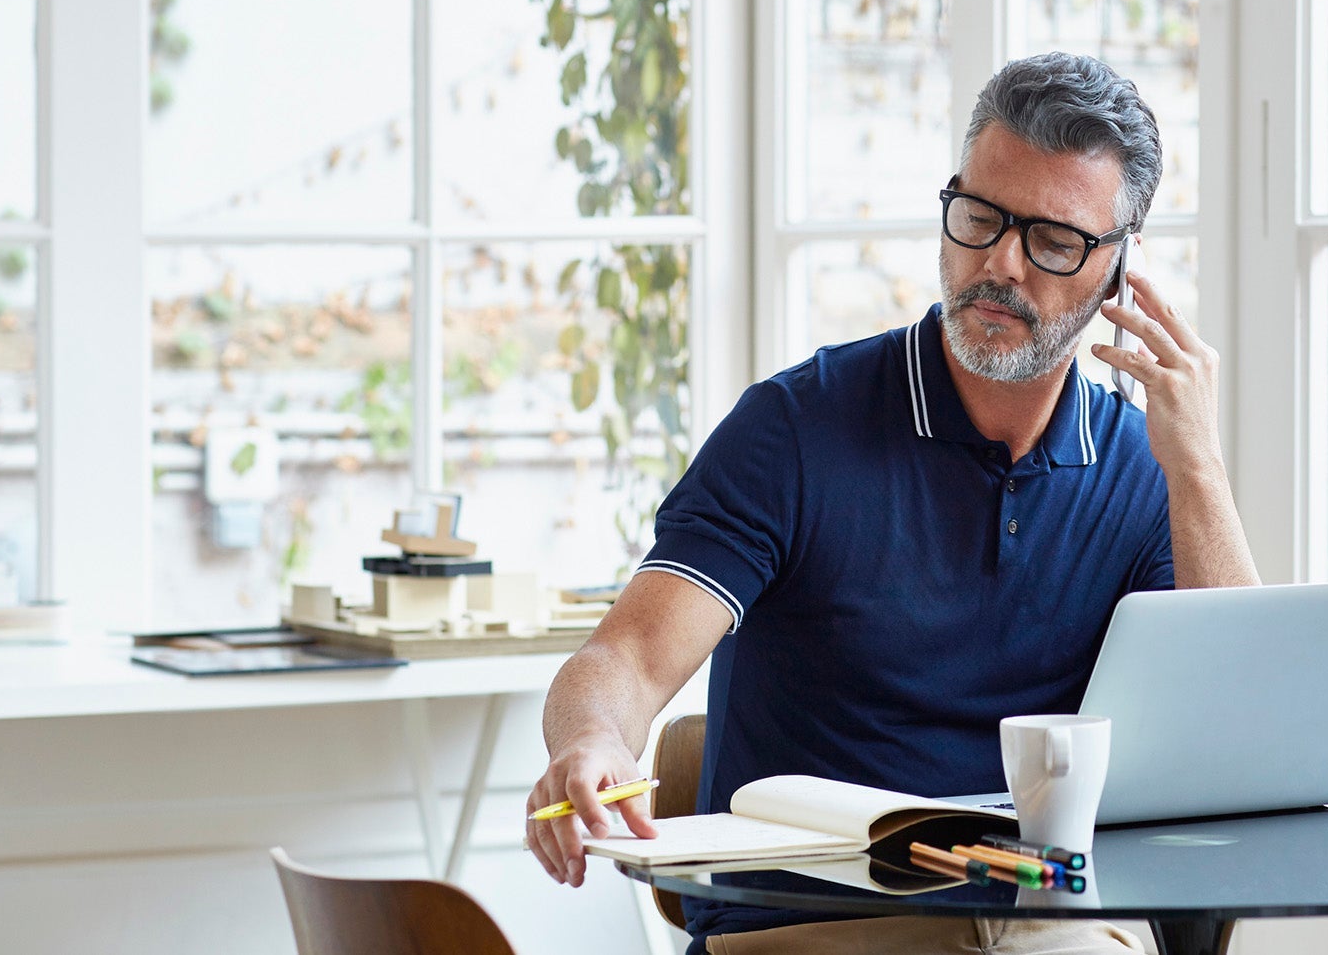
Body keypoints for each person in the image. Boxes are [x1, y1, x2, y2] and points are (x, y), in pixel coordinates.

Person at [526, 51, 1261, 954]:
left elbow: (1235, 742)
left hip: (1047, 918)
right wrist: (592, 745)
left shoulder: (1144, 467)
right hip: (821, 926)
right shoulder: (796, 430)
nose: (1000, 264)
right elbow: (629, 658)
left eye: (1055, 241)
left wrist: (1199, 468)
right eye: (980, 218)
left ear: (1120, 269)